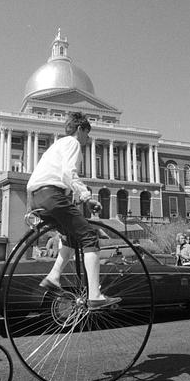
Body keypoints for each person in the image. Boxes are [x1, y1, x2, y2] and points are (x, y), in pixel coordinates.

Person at [26, 112, 120, 309]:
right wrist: (86, 197)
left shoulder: (57, 145)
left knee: (70, 236)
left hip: (37, 199)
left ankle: (53, 276)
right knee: (89, 236)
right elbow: (68, 173)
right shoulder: (72, 143)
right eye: (87, 133)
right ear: (80, 129)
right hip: (52, 195)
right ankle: (95, 295)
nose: (88, 138)